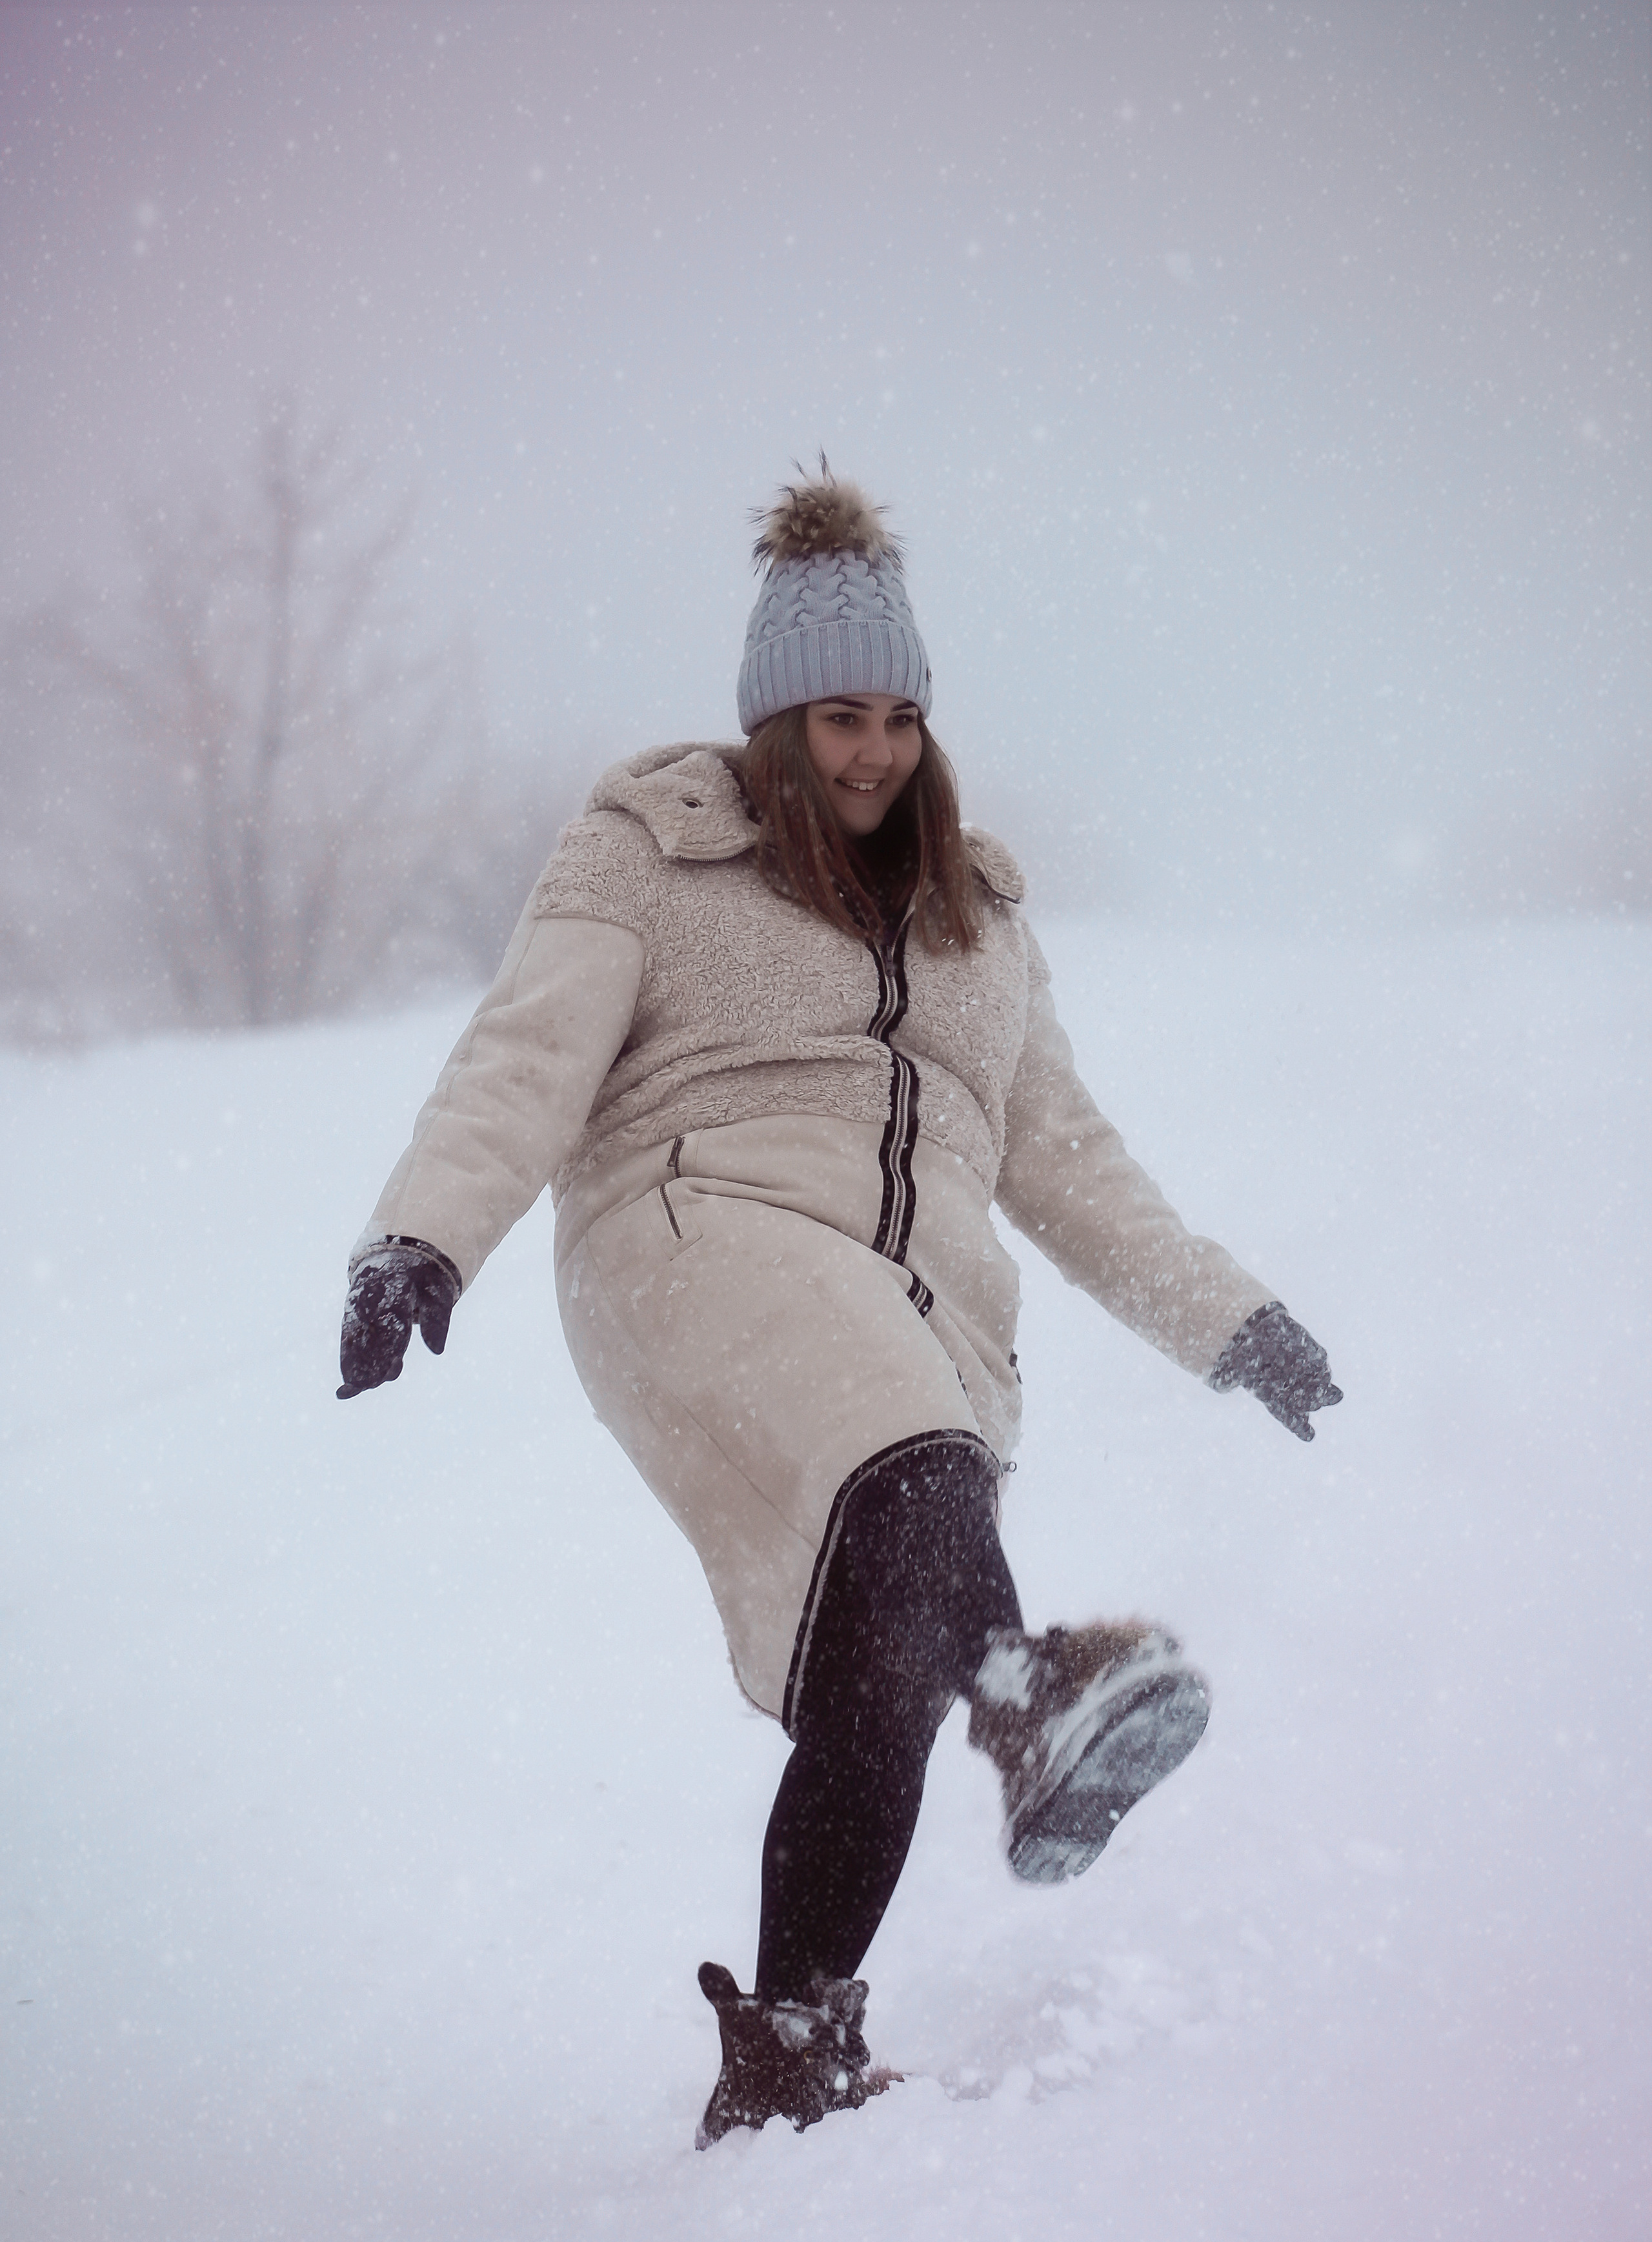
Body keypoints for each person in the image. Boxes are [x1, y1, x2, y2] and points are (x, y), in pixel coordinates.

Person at [337, 465, 1342, 2147]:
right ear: (774, 722)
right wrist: (420, 1242)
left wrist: (1229, 1319)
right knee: (917, 1466)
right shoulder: (653, 849)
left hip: (918, 1317)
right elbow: (521, 1058)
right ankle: (1026, 1693)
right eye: (836, 718)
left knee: (880, 1675)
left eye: (897, 718)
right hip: (693, 1235)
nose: (871, 753)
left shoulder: (978, 920)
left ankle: (791, 2053)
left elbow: (1069, 1162)